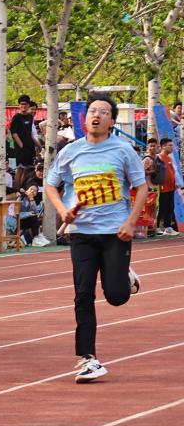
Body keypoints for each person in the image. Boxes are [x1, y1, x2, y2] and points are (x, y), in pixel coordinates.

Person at [44, 94, 146, 383]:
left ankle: (123, 274)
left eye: (103, 112)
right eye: (92, 111)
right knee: (83, 294)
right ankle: (88, 358)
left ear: (112, 121)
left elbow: (141, 188)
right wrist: (62, 210)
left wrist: (131, 222)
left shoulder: (123, 151)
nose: (96, 116)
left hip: (115, 232)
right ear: (84, 118)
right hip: (82, 234)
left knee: (116, 296)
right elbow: (51, 184)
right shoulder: (71, 151)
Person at [9, 95, 36, 189]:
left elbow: (30, 132)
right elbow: (14, 133)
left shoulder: (30, 117)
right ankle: (16, 189)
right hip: (20, 148)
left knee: (27, 169)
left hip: (30, 146)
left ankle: (23, 188)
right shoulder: (16, 117)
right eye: (22, 104)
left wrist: (36, 145)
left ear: (28, 105)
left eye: (25, 104)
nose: (23, 106)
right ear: (19, 105)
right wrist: (21, 145)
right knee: (20, 169)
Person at [155, 138, 179, 235]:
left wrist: (175, 183)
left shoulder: (169, 159)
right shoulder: (158, 157)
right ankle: (157, 227)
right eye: (170, 145)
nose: (172, 147)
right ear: (163, 146)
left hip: (171, 187)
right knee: (161, 208)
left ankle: (168, 228)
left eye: (172, 145)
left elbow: (172, 172)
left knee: (170, 207)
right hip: (161, 188)